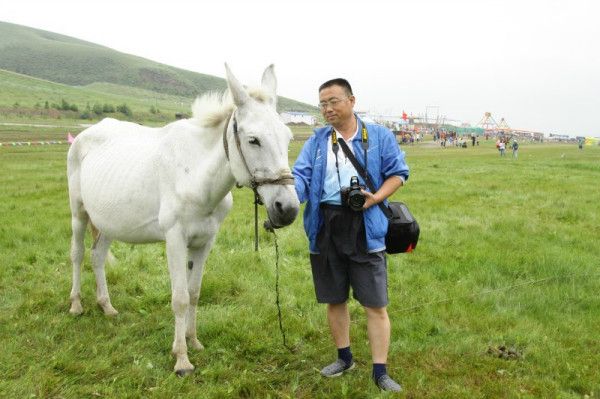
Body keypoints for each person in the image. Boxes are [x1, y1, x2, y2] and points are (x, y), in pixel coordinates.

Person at [292, 78, 409, 392]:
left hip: (365, 225)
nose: (327, 109)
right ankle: (344, 358)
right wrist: (285, 197)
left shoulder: (380, 137)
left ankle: (380, 371)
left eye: (333, 101)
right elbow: (300, 176)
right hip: (325, 226)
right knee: (335, 299)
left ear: (351, 100)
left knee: (375, 304)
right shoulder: (317, 140)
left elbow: (399, 173)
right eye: (322, 104)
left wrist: (374, 197)